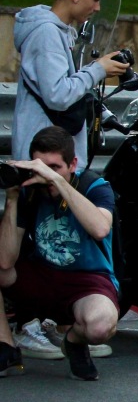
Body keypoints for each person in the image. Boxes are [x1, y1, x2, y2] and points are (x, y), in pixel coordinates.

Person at [1, 126, 119, 381]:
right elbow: (5, 261)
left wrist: (56, 182)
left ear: (73, 164)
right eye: (40, 167)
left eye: (54, 167)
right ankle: (6, 347)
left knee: (100, 327)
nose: (44, 176)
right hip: (41, 276)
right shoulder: (29, 192)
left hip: (87, 280)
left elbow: (100, 228)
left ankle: (73, 341)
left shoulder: (95, 186)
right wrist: (12, 200)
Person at [12, 0, 131, 170]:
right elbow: (58, 94)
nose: (97, 8)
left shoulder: (62, 31)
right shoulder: (46, 33)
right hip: (44, 160)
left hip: (52, 158)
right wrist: (97, 70)